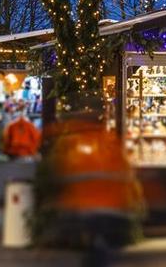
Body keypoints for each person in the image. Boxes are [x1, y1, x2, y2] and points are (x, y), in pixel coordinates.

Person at [49, 106, 142, 267]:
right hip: (111, 207)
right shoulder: (108, 140)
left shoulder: (73, 141)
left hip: (87, 208)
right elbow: (125, 171)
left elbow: (64, 172)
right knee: (104, 250)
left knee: (97, 250)